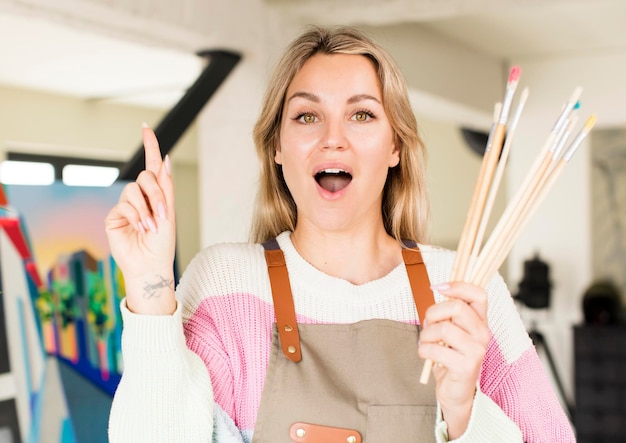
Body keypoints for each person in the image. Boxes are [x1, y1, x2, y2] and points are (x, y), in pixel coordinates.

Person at [105, 26, 575, 442]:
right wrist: (151, 286)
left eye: (363, 115)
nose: (333, 138)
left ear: (395, 146)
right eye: (307, 116)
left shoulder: (467, 290)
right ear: (277, 147)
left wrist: (463, 410)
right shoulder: (225, 286)